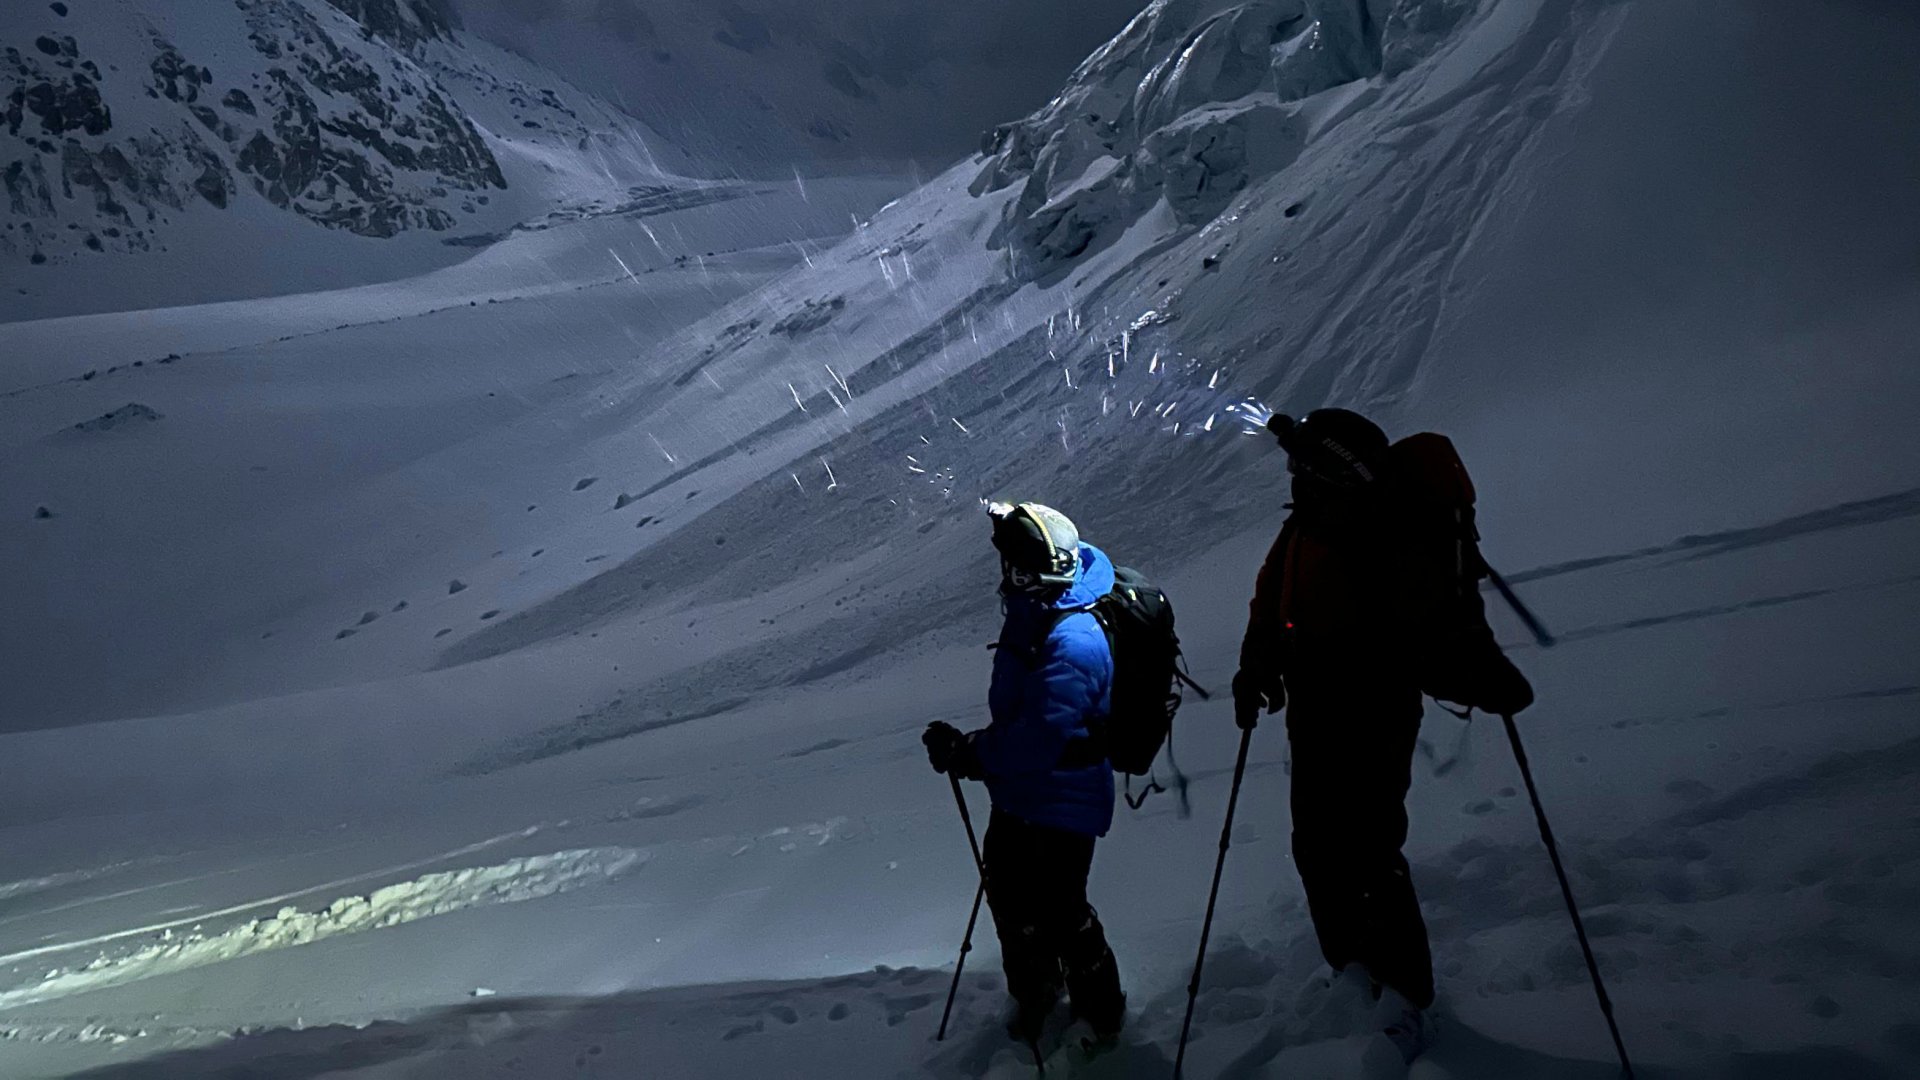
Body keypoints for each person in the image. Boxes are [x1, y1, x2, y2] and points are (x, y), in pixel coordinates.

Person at [1232, 408, 1534, 1054]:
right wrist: (1257, 665)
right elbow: (1273, 596)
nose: (1292, 476)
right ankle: (1353, 970)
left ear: (1331, 470)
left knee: (1365, 847)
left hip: (1373, 705)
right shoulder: (1313, 519)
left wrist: (1481, 679)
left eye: (1303, 465)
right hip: (1318, 701)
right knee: (1317, 843)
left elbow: (1430, 636)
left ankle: (1405, 994)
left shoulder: (1386, 530)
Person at [923, 501, 1126, 1047]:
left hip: (1062, 800)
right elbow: (1022, 721)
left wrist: (970, 754)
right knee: (1011, 900)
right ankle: (1036, 993)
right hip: (1020, 793)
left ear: (1047, 568)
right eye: (1007, 564)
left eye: (1017, 567)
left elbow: (1039, 736)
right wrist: (976, 752)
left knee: (1062, 912)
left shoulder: (1075, 641)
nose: (1006, 577)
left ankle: (1101, 1015)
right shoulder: (1035, 609)